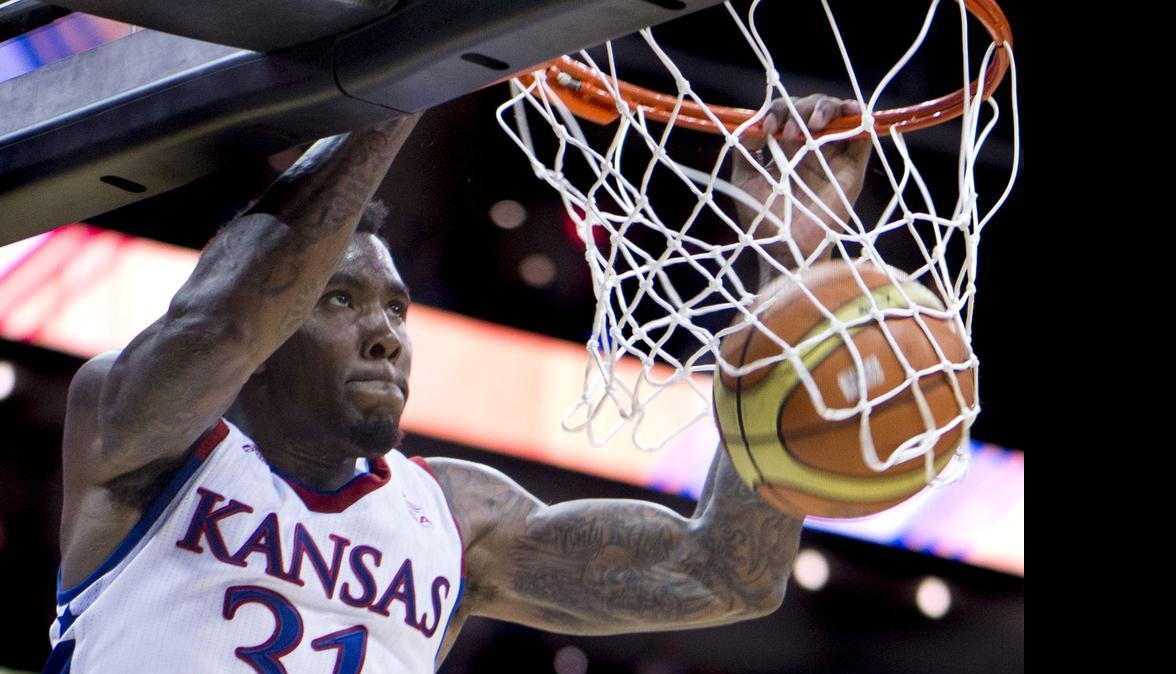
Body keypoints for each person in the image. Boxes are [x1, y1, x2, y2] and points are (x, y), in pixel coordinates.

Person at [46, 95, 869, 673]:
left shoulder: (455, 516)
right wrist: (412, 72)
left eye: (399, 308)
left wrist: (792, 267)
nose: (388, 334)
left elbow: (726, 573)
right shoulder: (142, 436)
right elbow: (226, 319)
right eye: (341, 299)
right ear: (276, 323)